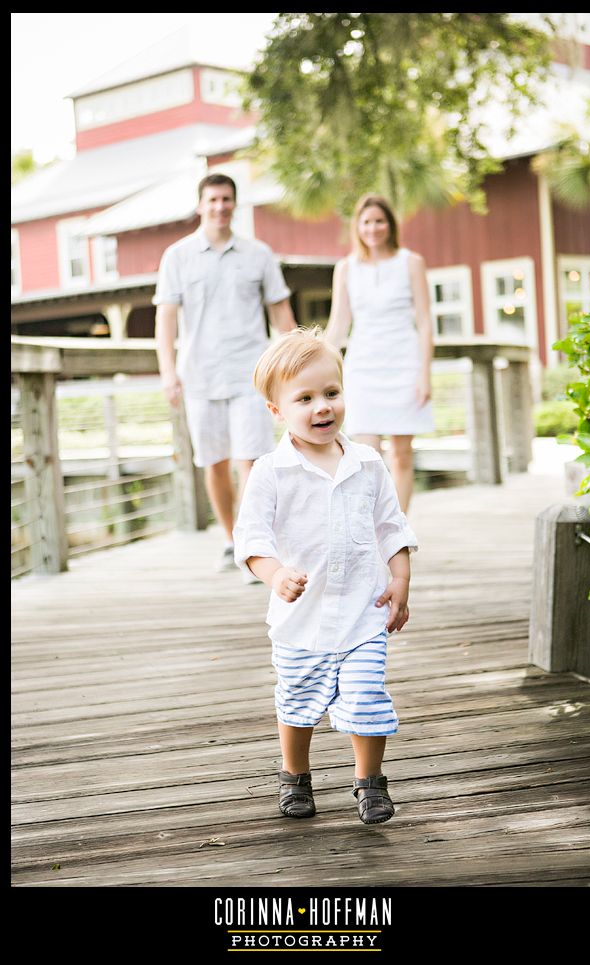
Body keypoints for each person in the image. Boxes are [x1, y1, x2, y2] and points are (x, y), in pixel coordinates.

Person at [233, 327, 418, 824]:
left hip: (363, 613)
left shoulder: (367, 463)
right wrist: (274, 575)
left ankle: (370, 782)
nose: (322, 407)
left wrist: (399, 581)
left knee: (367, 695)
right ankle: (295, 775)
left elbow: (391, 526)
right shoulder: (270, 472)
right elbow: (250, 541)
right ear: (277, 411)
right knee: (297, 701)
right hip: (302, 622)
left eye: (331, 393)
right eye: (306, 398)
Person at [154, 173, 297, 572]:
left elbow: (280, 311)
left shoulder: (259, 254)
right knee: (214, 462)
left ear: (235, 204)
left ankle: (256, 546)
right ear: (201, 205)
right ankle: (229, 538)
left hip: (250, 376)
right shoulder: (177, 257)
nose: (220, 206)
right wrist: (168, 371)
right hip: (200, 376)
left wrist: (296, 363)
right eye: (213, 199)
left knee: (251, 462)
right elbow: (165, 319)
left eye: (227, 199)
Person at [325, 193, 434, 513]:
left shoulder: (411, 262)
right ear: (357, 226)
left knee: (401, 453)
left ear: (390, 225)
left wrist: (424, 374)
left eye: (379, 221)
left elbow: (425, 322)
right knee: (364, 455)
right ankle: (370, 530)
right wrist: (317, 360)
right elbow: (339, 323)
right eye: (367, 221)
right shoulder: (346, 268)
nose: (373, 228)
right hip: (363, 366)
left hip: (404, 363)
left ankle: (398, 529)